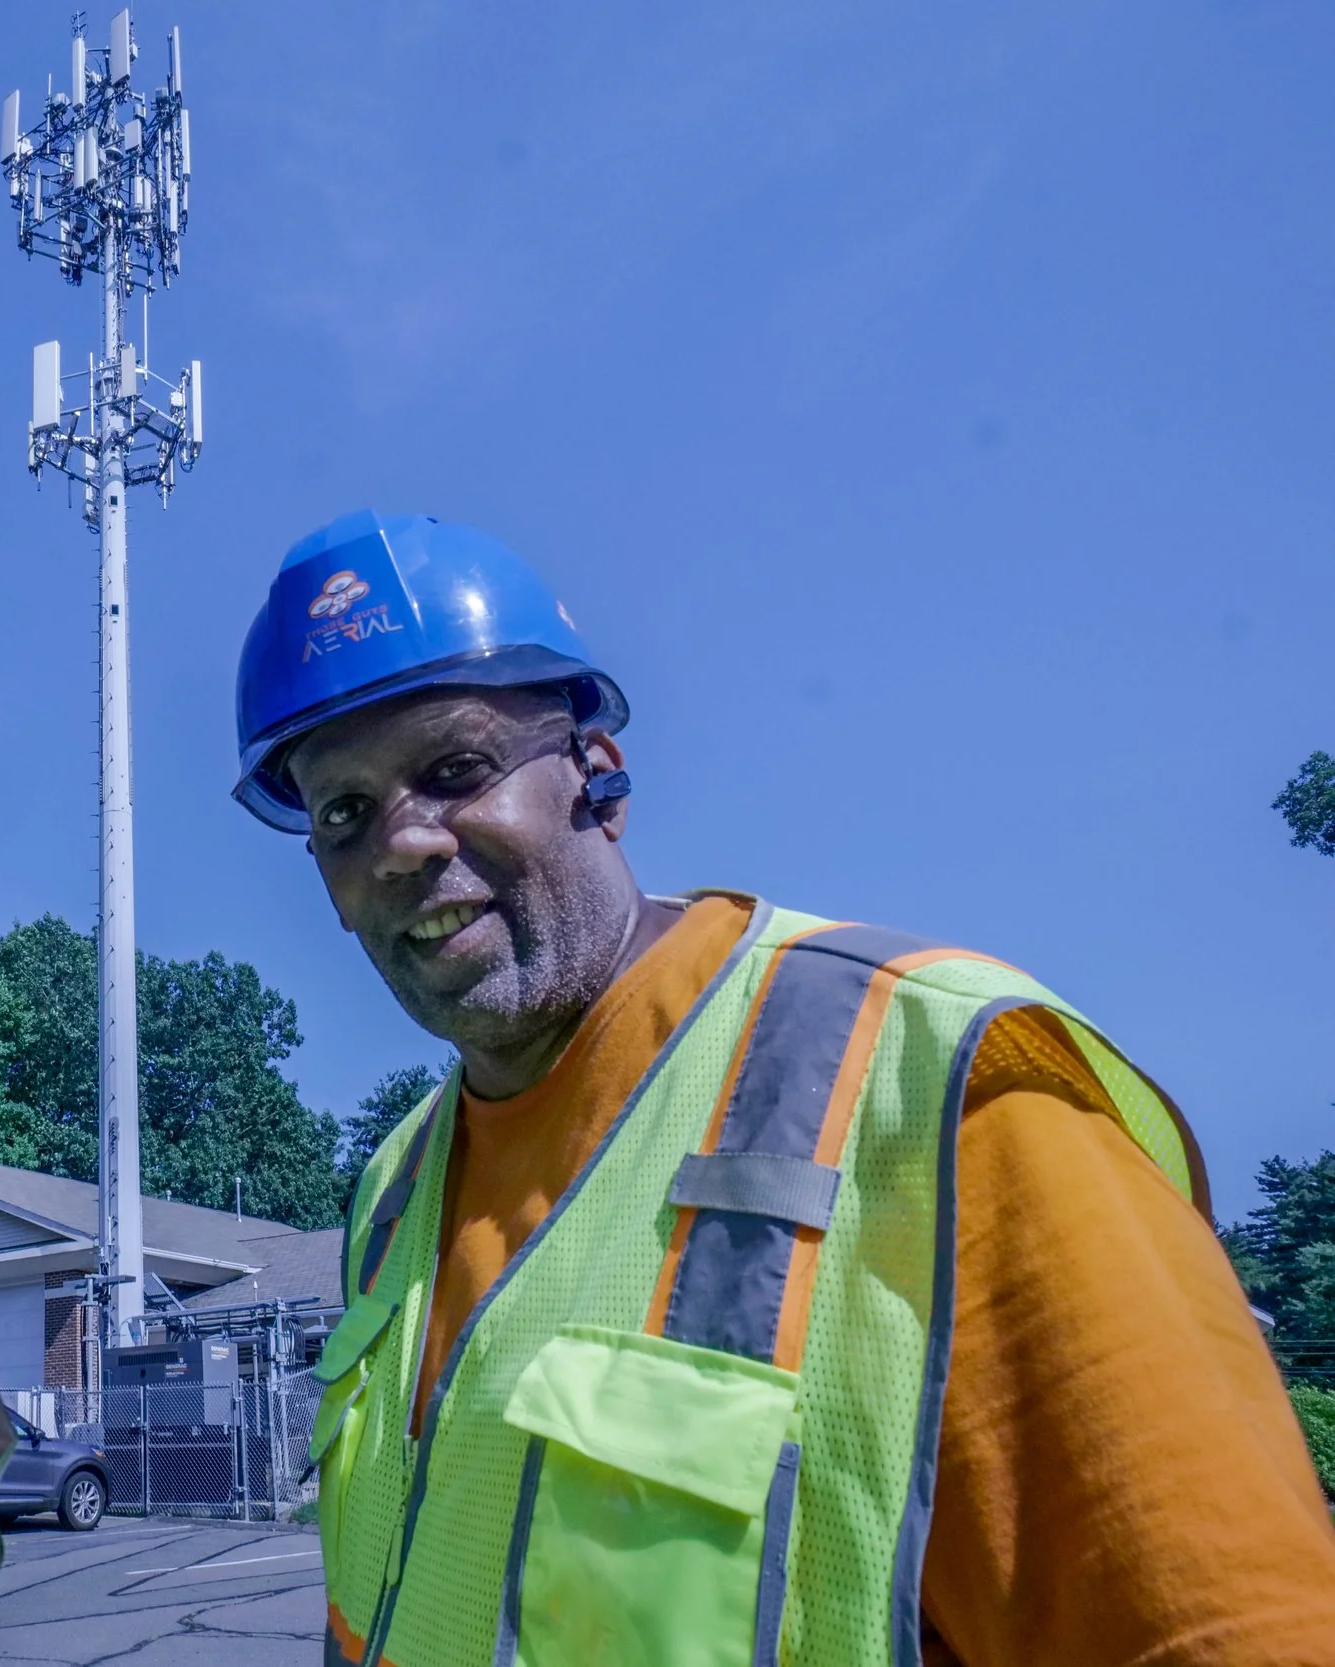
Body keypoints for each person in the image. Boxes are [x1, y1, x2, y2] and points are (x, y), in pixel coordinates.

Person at [236, 511, 1335, 1666]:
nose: (400, 842)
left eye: (454, 767)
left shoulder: (940, 1090)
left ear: (597, 776)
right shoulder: (392, 1191)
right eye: (343, 812)